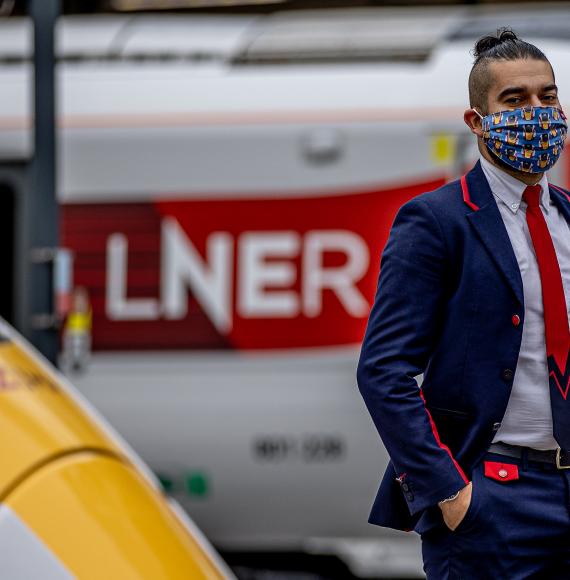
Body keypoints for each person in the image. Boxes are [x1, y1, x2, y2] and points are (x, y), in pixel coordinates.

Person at [357, 29, 570, 578]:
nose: (537, 113)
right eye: (515, 100)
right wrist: (450, 492)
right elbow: (384, 371)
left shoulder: (568, 217)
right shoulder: (436, 221)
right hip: (494, 500)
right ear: (476, 121)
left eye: (547, 97)